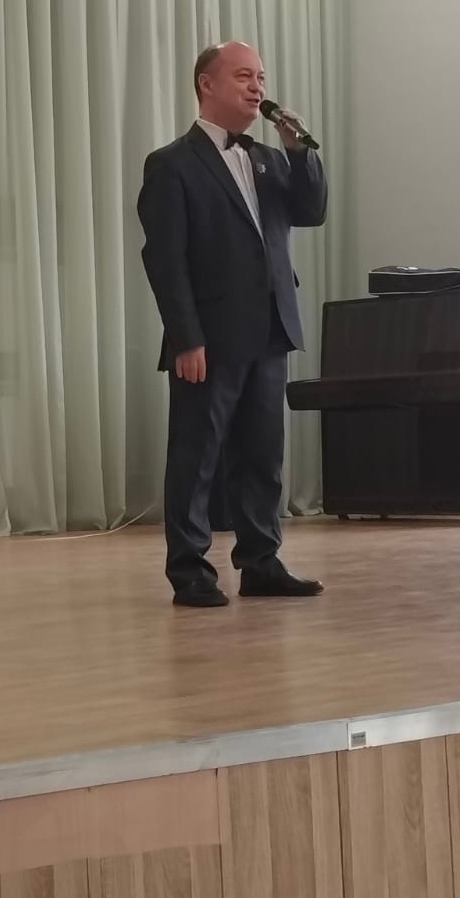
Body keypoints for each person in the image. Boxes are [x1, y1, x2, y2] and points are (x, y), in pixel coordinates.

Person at [137, 41, 328, 608]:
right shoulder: (171, 163)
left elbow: (311, 211)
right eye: (244, 76)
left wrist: (300, 152)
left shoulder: (269, 158)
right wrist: (186, 337)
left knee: (262, 456)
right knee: (196, 456)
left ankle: (261, 562)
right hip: (209, 337)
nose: (257, 87)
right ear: (206, 83)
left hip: (270, 328)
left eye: (261, 78)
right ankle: (190, 571)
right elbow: (165, 259)